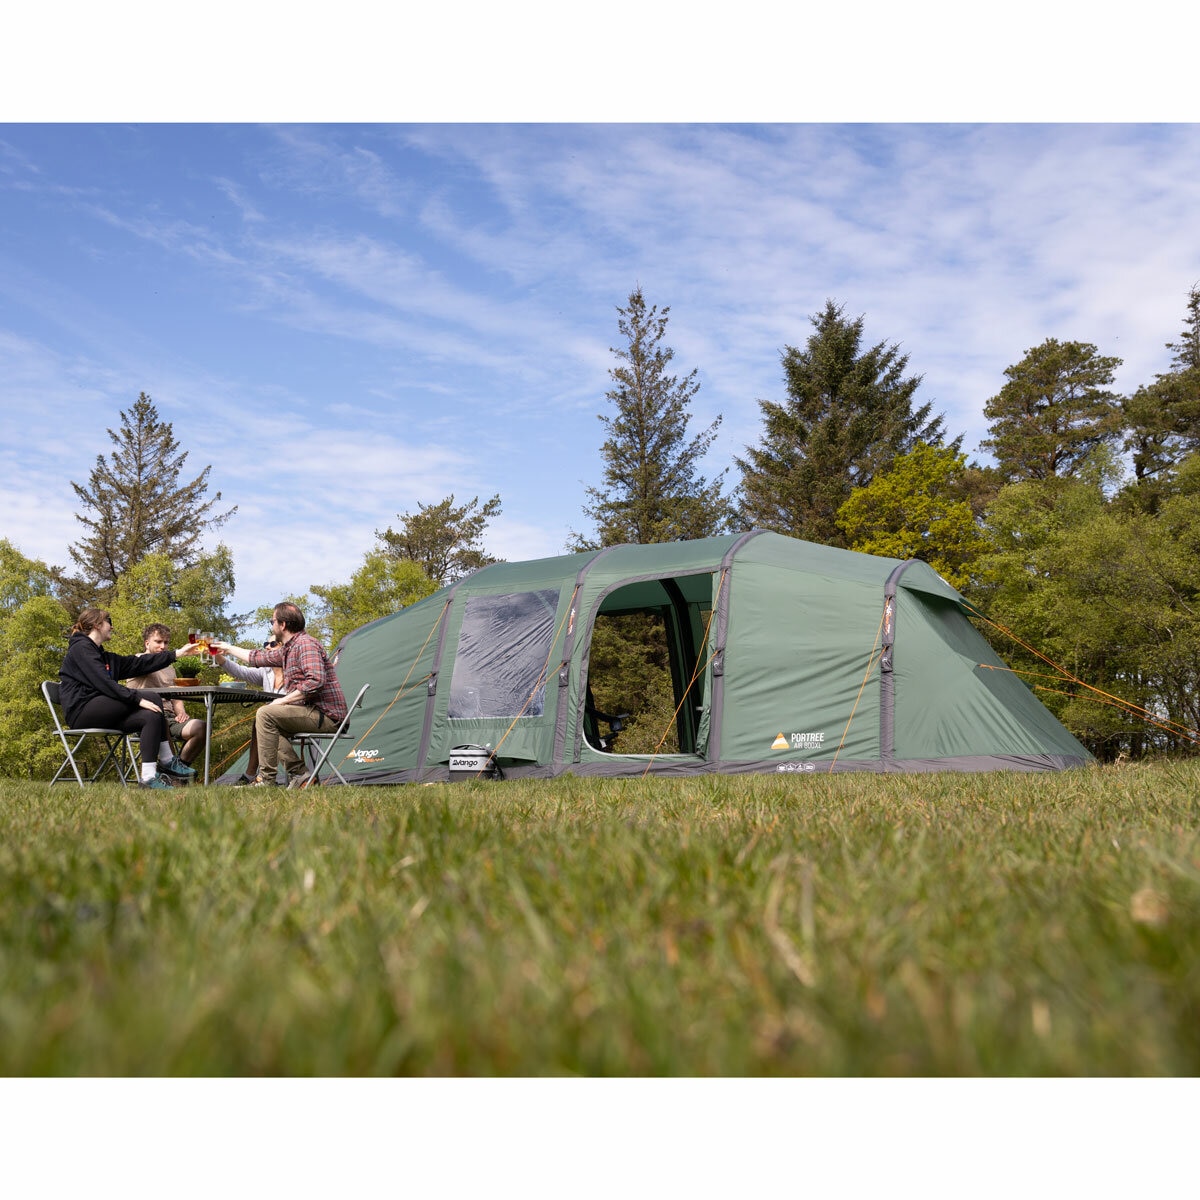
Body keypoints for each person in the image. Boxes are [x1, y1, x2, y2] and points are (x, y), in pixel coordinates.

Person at [58, 607, 204, 789]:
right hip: (82, 711)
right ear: (97, 625)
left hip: (102, 710)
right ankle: (168, 760)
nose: (111, 627)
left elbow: (138, 663)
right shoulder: (81, 649)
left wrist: (177, 654)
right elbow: (103, 683)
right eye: (109, 622)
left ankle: (148, 778)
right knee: (152, 698)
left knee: (151, 715)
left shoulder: (101, 655)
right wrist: (137, 699)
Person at [211, 603, 347, 788]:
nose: (271, 625)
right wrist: (227, 648)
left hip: (327, 716)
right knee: (266, 723)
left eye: (272, 621)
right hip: (314, 713)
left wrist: (282, 701)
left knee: (265, 713)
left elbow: (316, 681)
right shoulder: (289, 649)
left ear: (282, 625)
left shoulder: (306, 644)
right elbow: (256, 657)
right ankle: (301, 775)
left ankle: (266, 780)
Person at [125, 623, 208, 774]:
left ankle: (174, 770)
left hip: (170, 718)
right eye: (158, 642)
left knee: (201, 727)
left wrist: (180, 712)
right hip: (145, 718)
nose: (163, 646)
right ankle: (172, 769)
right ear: (147, 643)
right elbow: (147, 664)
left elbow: (175, 696)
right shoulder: (138, 660)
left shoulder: (169, 667)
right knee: (160, 720)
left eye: (166, 642)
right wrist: (178, 653)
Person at [210, 635, 286, 785]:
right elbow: (241, 671)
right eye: (266, 643)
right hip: (270, 719)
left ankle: (262, 776)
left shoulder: (294, 670)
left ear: (284, 647)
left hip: (292, 717)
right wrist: (218, 656)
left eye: (272, 644)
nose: (267, 647)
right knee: (261, 719)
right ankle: (252, 775)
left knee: (264, 717)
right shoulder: (266, 671)